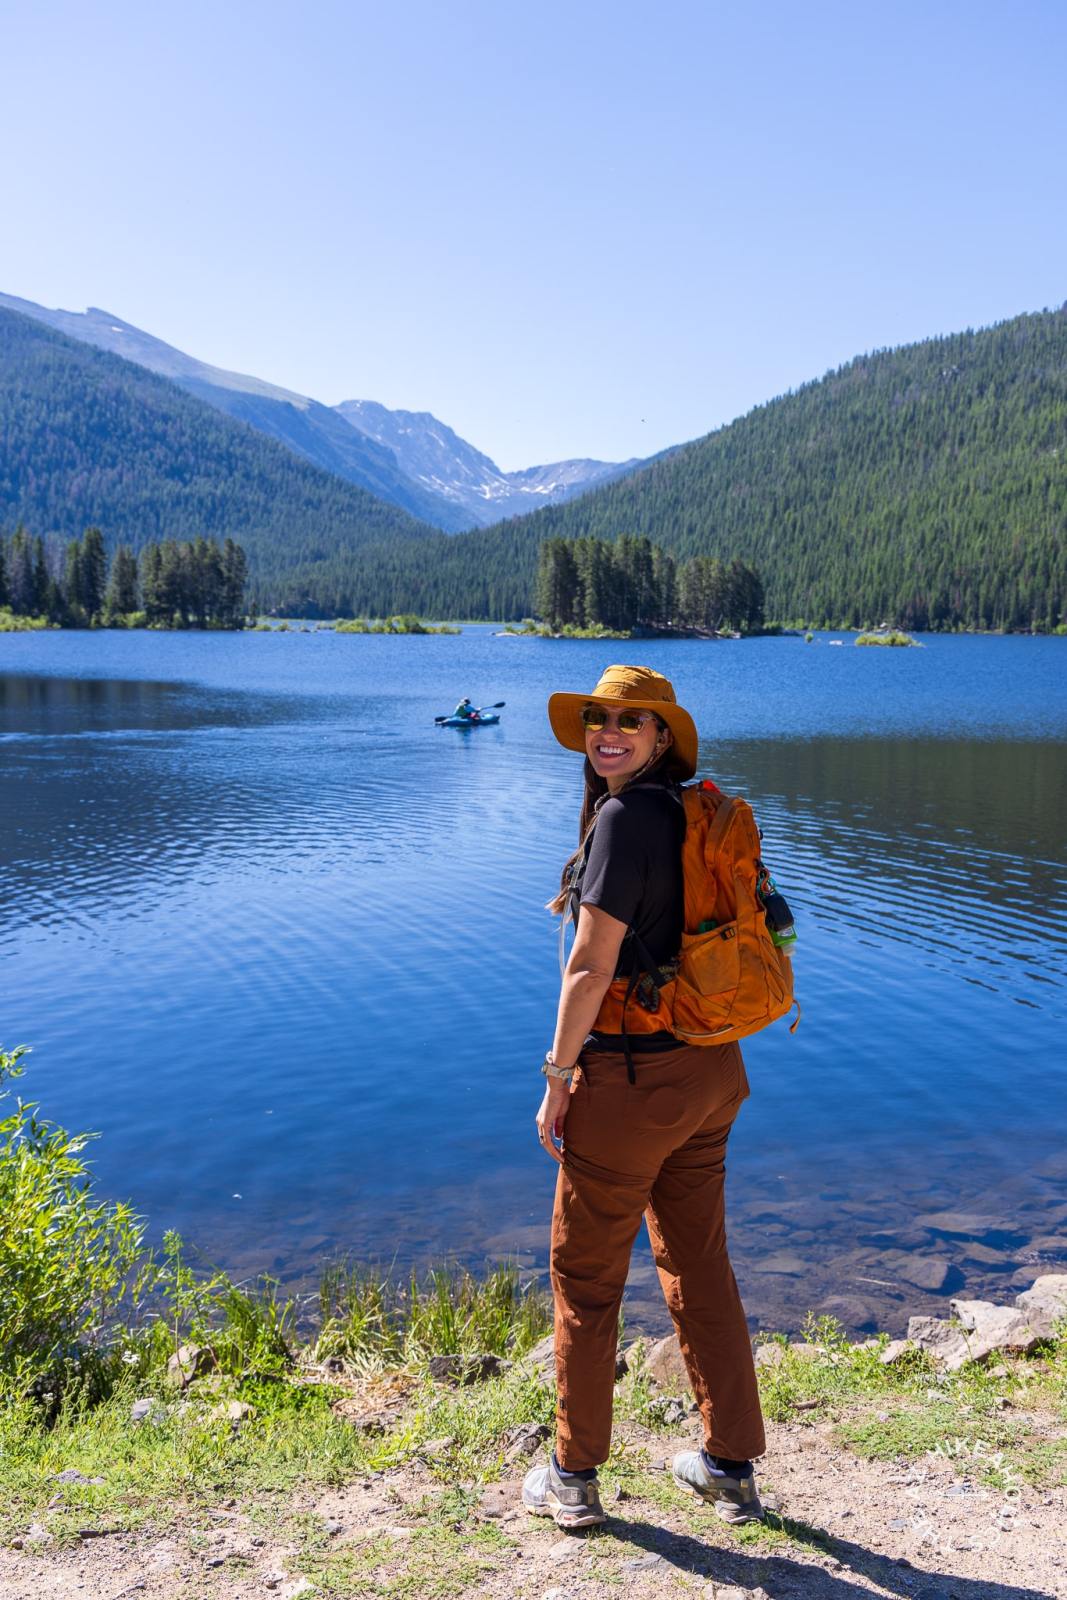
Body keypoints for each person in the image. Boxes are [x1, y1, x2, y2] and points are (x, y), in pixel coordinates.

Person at [522, 664, 766, 1530]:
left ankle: (572, 1477)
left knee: (586, 1282)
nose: (608, 731)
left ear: (662, 736)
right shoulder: (693, 811)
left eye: (632, 720)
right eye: (598, 717)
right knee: (699, 1265)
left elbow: (589, 968)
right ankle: (729, 1467)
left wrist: (557, 1078)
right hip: (710, 1072)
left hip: (632, 1085)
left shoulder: (624, 820)